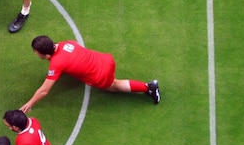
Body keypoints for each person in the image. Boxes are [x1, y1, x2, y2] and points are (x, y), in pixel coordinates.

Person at [20, 36, 161, 112]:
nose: (35, 54)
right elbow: (76, 47)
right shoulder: (65, 43)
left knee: (114, 86)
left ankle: (149, 87)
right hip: (105, 60)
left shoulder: (56, 64)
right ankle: (148, 87)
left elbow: (44, 90)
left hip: (101, 74)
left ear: (45, 54)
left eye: (36, 52)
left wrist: (30, 103)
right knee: (114, 83)